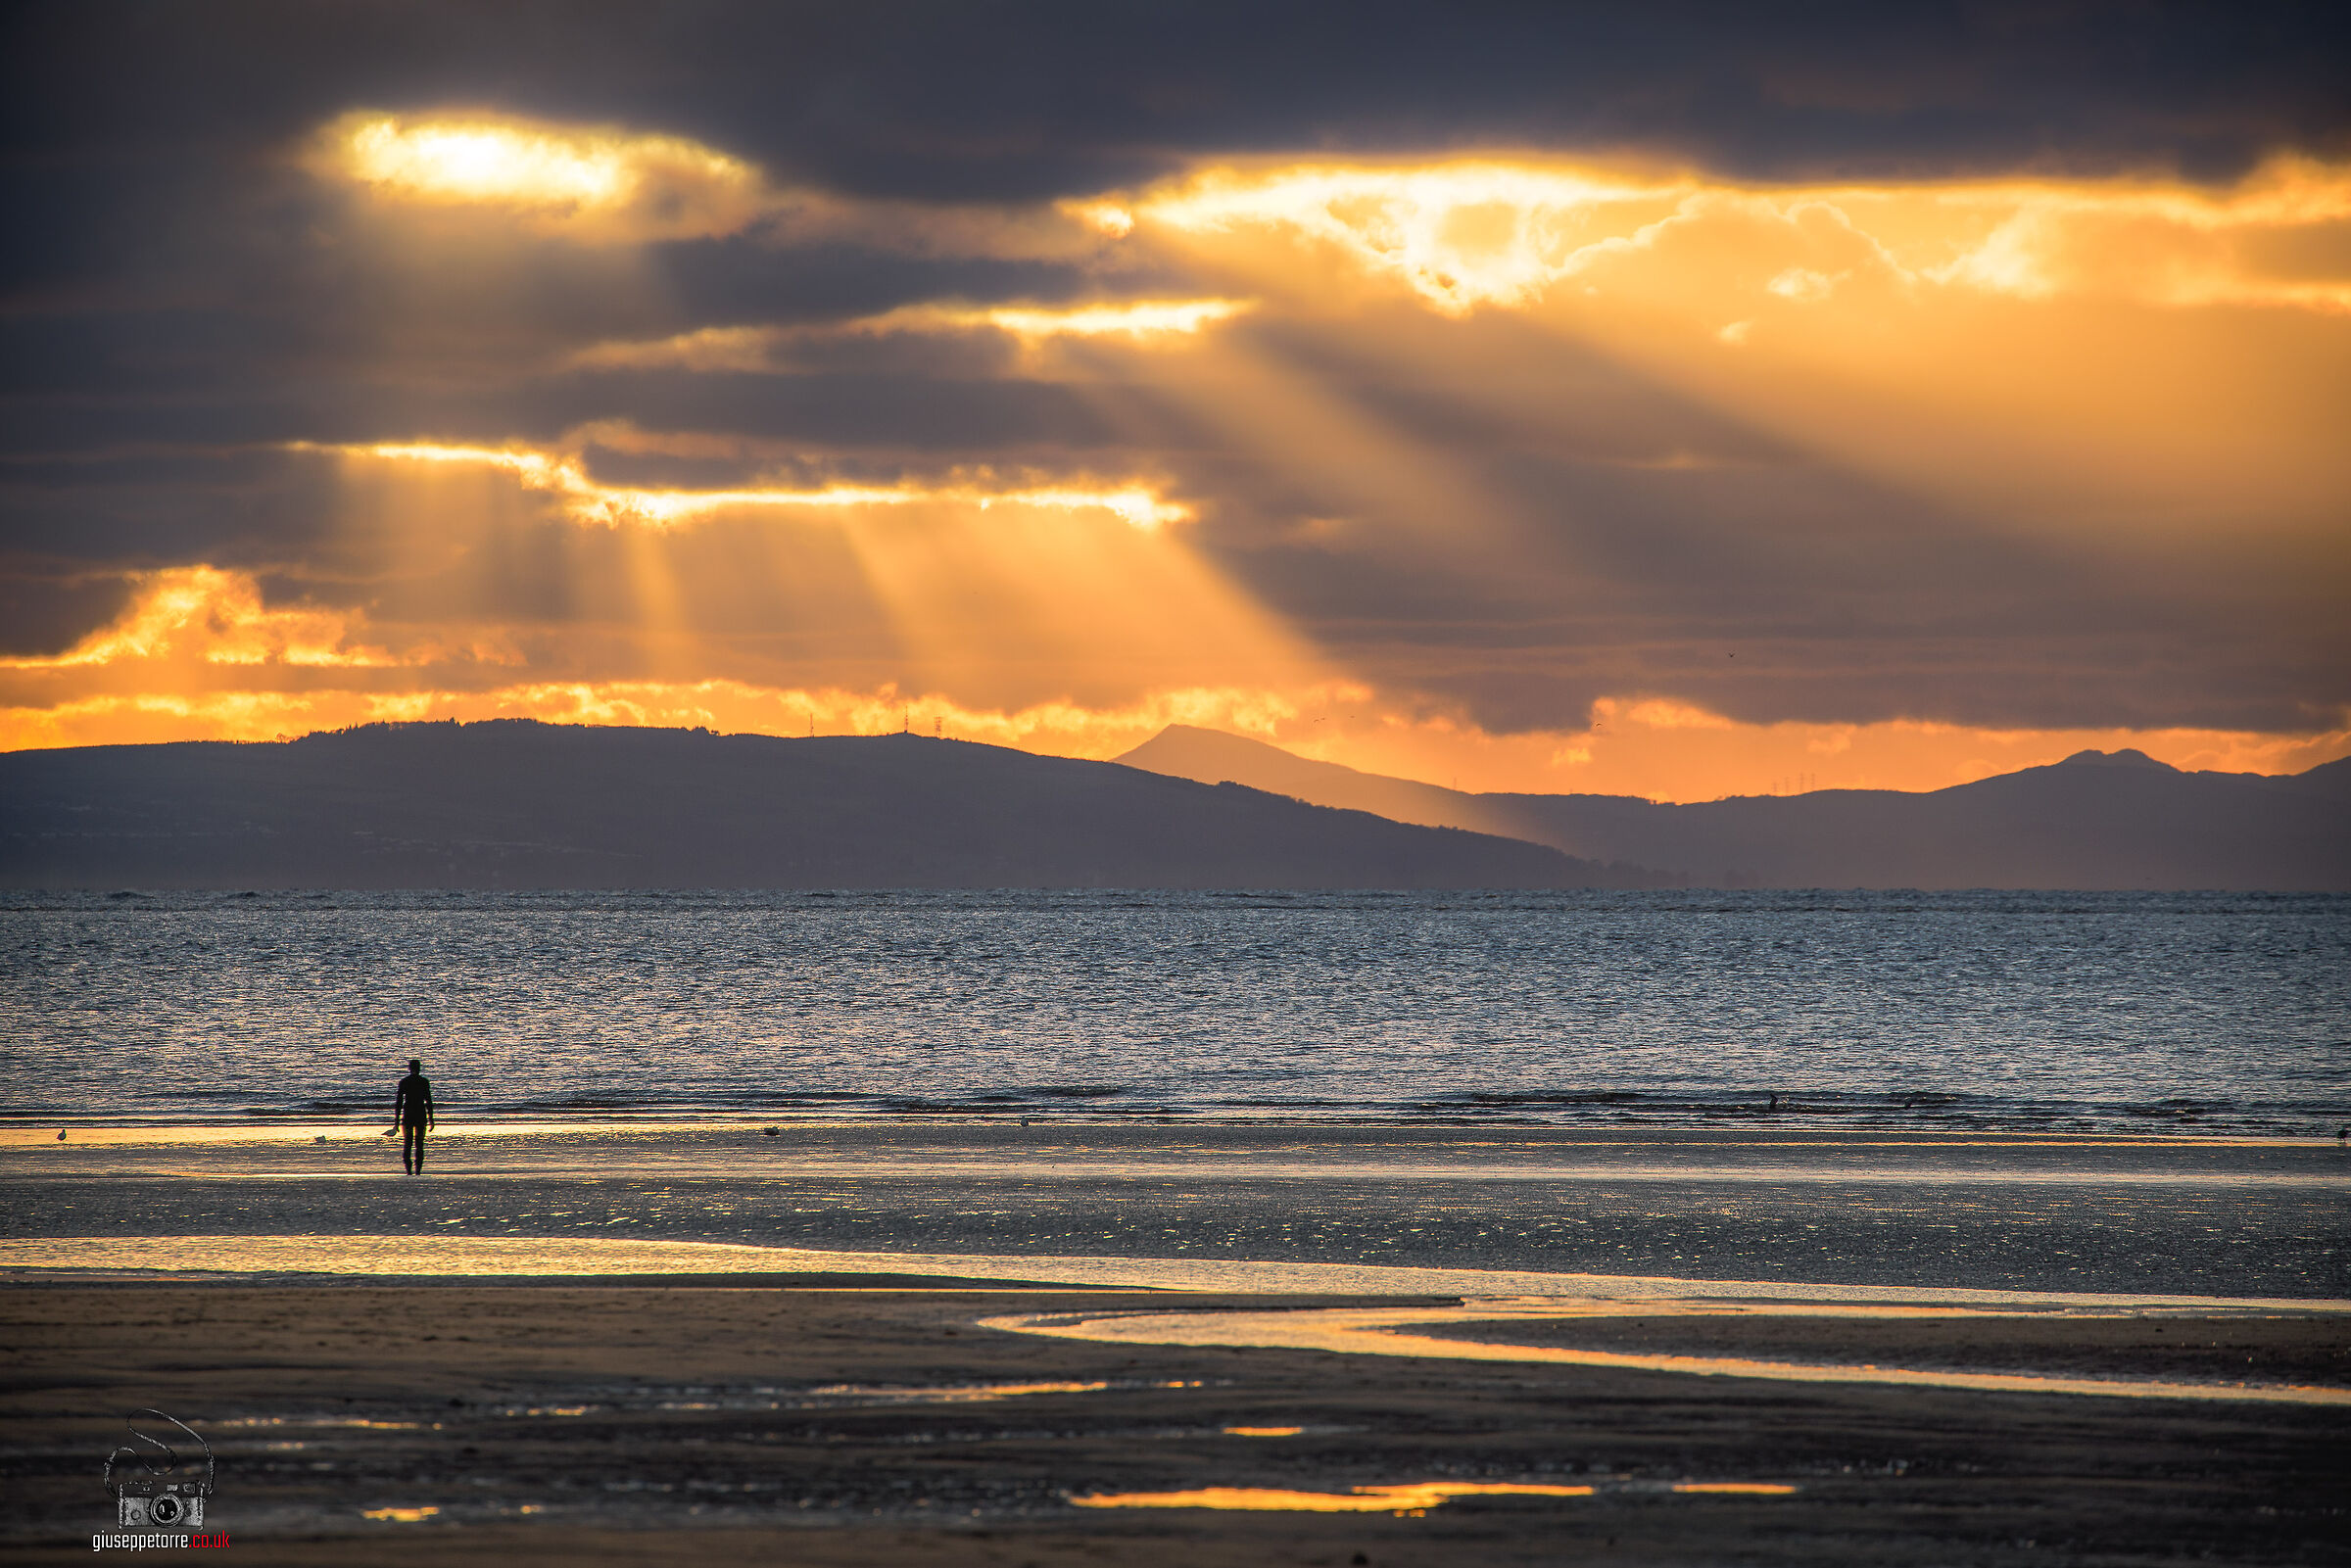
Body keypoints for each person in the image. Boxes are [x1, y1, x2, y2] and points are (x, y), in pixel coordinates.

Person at [391, 1059, 435, 1174]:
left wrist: (396, 1120)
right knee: (419, 1144)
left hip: (408, 1115)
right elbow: (428, 1101)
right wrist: (431, 1119)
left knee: (408, 1143)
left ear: (409, 1068)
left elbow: (399, 1102)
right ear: (419, 1068)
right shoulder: (424, 1081)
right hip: (420, 1114)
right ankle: (418, 1170)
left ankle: (408, 1170)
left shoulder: (404, 1081)